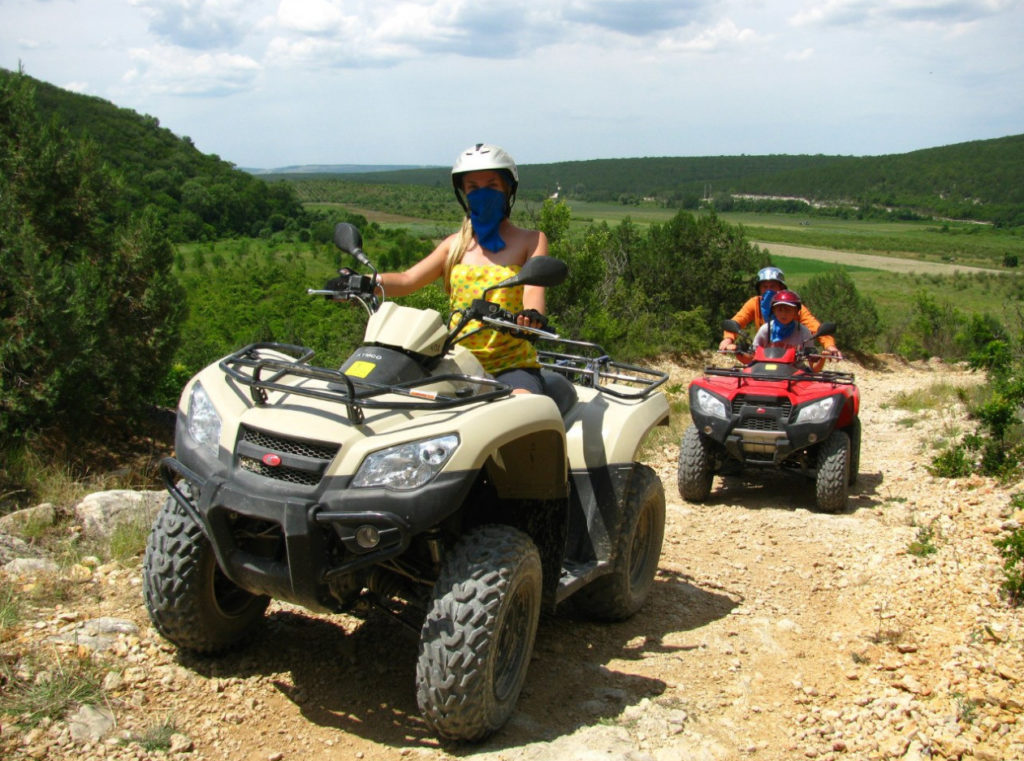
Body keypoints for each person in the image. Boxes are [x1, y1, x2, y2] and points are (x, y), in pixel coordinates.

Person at [370, 143, 550, 394]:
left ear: (508, 190)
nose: (482, 194)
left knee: (523, 410)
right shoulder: (454, 245)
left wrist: (531, 316)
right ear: (463, 194)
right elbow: (408, 279)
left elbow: (534, 290)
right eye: (473, 188)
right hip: (455, 361)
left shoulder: (531, 241)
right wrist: (367, 281)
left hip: (510, 364)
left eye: (492, 186)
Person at [718, 266, 838, 355]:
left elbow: (815, 326)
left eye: (773, 286)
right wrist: (728, 339)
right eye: (765, 287)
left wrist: (829, 345)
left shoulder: (794, 307)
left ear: (781, 288)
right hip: (763, 357)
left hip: (792, 359)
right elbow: (738, 320)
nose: (768, 290)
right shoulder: (754, 303)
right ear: (759, 289)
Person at [752, 290, 837, 370]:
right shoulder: (765, 330)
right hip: (765, 371)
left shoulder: (804, 333)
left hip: (796, 374)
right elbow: (752, 356)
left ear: (796, 311)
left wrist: (822, 359)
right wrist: (740, 351)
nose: (783, 314)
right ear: (774, 311)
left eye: (788, 310)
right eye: (780, 309)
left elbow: (813, 369)